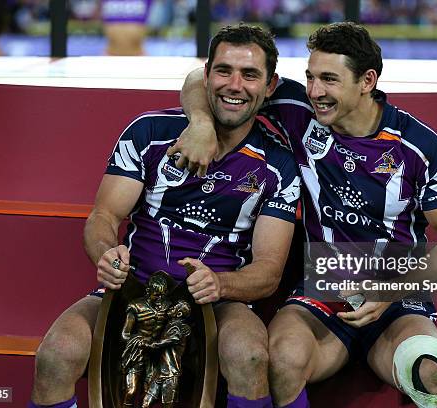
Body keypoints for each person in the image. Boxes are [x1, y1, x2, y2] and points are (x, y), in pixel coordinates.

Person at [174, 22, 437, 408]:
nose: (315, 92)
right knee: (281, 360)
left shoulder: (420, 146)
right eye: (311, 77)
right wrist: (200, 124)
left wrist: (387, 289)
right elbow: (200, 80)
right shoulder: (300, 111)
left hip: (397, 301)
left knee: (428, 372)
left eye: (329, 80)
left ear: (367, 80)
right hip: (323, 291)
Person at [29, 24, 301, 408]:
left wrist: (220, 285)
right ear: (206, 76)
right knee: (56, 353)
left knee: (250, 353)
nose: (234, 85)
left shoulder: (278, 164)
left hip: (219, 301)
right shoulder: (150, 132)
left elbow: (270, 269)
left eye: (250, 75)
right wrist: (106, 254)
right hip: (135, 287)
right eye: (223, 71)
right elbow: (103, 216)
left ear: (270, 86)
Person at [120, 274, 172, 407]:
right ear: (148, 292)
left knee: (148, 393)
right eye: (156, 295)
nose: (160, 298)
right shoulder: (136, 307)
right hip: (137, 353)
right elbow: (125, 333)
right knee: (131, 390)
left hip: (155, 355)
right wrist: (139, 340)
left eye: (162, 294)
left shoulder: (168, 306)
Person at [142, 299, 192, 408]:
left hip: (170, 373)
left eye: (174, 308)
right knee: (146, 402)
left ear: (178, 314)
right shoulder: (171, 324)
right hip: (160, 371)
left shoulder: (178, 327)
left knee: (167, 405)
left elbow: (174, 338)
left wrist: (154, 344)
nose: (171, 309)